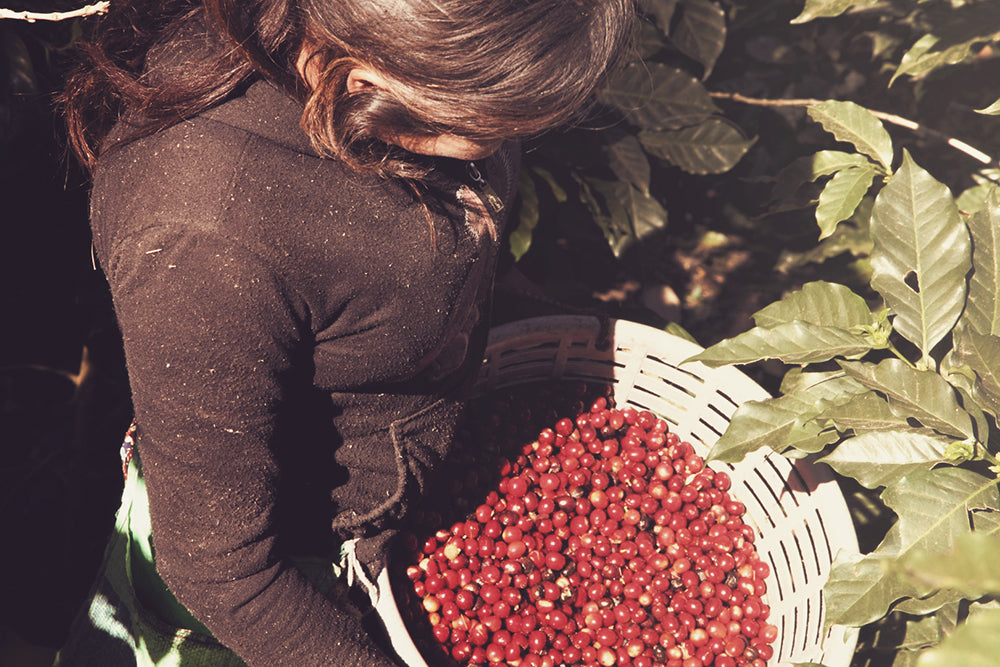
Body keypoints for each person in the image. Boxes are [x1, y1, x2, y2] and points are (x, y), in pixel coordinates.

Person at [57, 0, 635, 665]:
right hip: (268, 586)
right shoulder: (208, 232)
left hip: (391, 508)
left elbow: (447, 239)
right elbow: (223, 571)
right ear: (367, 85)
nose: (507, 145)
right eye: (492, 126)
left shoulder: (419, 77)